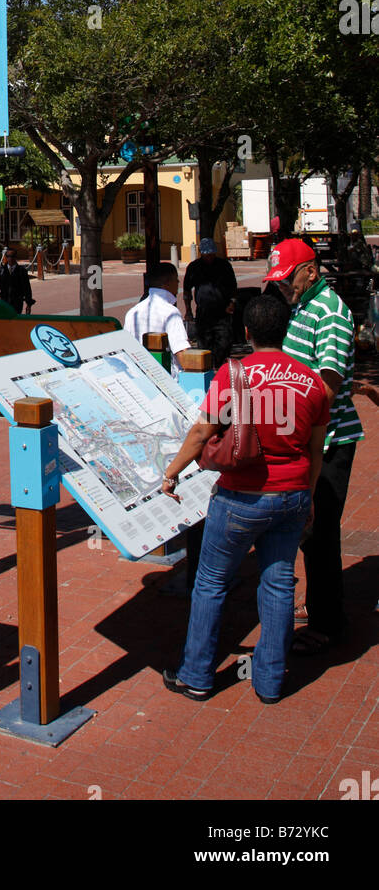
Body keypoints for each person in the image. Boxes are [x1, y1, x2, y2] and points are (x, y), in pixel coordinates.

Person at [161, 293, 328, 703]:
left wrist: (171, 472)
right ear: (286, 331)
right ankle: (270, 682)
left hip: (241, 497)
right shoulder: (314, 382)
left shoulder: (234, 375)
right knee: (278, 583)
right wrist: (308, 497)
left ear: (247, 332)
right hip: (291, 495)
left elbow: (202, 432)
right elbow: (316, 449)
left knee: (212, 582)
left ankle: (196, 676)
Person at [264, 238, 361, 655]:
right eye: (278, 284)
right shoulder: (302, 307)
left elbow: (327, 385)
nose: (283, 289)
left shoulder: (332, 313)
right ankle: (320, 602)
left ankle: (328, 622)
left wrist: (294, 423)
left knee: (321, 532)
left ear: (311, 270)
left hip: (329, 440)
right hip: (305, 437)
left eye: (287, 281)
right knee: (307, 529)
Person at [124, 263, 191, 373]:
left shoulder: (133, 312)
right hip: (166, 377)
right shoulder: (170, 312)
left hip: (139, 375)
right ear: (167, 283)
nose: (178, 285)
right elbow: (181, 352)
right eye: (176, 280)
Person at [183, 237, 238, 369]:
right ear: (202, 253)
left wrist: (232, 303)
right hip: (203, 312)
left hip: (222, 312)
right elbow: (186, 291)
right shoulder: (194, 267)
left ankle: (220, 368)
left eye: (212, 254)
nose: (209, 258)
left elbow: (233, 287)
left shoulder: (224, 266)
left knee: (224, 343)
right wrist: (188, 310)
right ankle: (207, 371)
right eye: (207, 255)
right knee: (204, 345)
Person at [0, 248, 34, 315]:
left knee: (15, 322)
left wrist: (28, 304)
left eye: (12, 256)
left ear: (15, 257)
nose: (10, 258)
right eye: (8, 256)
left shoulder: (21, 271)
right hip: (4, 301)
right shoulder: (1, 270)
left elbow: (27, 288)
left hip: (17, 303)